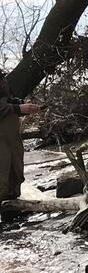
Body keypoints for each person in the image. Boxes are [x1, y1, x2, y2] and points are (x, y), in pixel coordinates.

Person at [0, 70, 42, 205]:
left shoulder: (2, 78)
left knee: (15, 164)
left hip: (10, 130)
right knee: (3, 166)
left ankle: (11, 204)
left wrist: (21, 104)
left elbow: (4, 99)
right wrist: (18, 108)